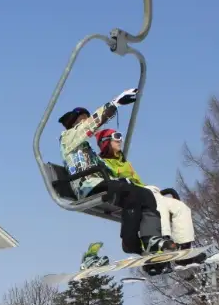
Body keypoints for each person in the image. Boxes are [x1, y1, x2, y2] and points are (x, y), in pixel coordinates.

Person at [58, 90, 175, 257]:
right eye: (82, 120)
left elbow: (104, 169)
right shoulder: (68, 139)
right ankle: (129, 242)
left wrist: (124, 178)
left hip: (100, 182)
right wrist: (113, 105)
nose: (86, 123)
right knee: (127, 191)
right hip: (86, 185)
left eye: (86, 119)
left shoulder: (87, 150)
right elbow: (88, 128)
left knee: (144, 194)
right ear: (74, 124)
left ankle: (151, 239)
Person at [95, 128, 195, 248]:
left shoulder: (125, 163)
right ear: (106, 141)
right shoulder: (103, 162)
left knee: (181, 207)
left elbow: (138, 182)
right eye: (116, 137)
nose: (120, 140)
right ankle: (163, 242)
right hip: (132, 194)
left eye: (120, 137)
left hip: (144, 191)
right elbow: (112, 181)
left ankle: (184, 247)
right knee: (158, 205)